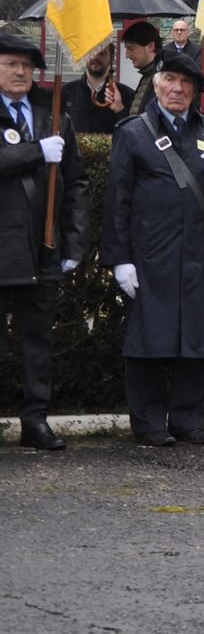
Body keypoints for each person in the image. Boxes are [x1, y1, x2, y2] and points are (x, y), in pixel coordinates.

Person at [101, 49, 204, 447]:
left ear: (197, 91)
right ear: (158, 84)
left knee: (193, 339)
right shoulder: (133, 132)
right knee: (150, 339)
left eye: (187, 84)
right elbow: (118, 202)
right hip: (150, 255)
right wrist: (119, 260)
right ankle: (148, 422)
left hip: (200, 253)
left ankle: (188, 419)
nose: (177, 89)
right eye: (170, 81)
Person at [0, 33, 88, 451]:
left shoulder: (53, 115)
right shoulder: (42, 134)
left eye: (26, 66)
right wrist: (35, 151)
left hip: (41, 250)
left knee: (37, 344)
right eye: (11, 64)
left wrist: (73, 245)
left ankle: (35, 420)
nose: (20, 72)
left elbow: (78, 185)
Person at [60, 44, 133, 136]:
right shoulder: (65, 92)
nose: (96, 57)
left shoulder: (127, 95)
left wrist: (120, 110)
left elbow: (134, 135)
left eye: (102, 53)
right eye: (91, 52)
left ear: (111, 58)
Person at [120, 21, 163, 120]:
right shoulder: (148, 75)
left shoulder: (164, 78)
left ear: (151, 46)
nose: (127, 55)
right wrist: (120, 109)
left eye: (131, 49)